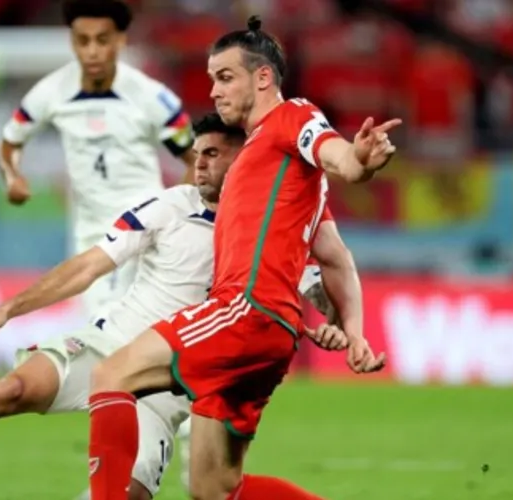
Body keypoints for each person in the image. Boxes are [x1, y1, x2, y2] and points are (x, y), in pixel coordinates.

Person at [0, 113, 352, 497]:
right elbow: (90, 266)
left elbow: (308, 298)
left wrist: (333, 327)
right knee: (12, 388)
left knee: (140, 494)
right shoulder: (171, 207)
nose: (199, 164)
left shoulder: (270, 232)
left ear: (245, 158)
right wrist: (8, 310)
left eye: (213, 154)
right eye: (196, 153)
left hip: (168, 388)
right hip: (110, 345)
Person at [74, 16, 401, 500]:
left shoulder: (290, 118)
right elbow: (334, 257)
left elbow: (338, 155)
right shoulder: (277, 167)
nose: (214, 91)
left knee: (110, 374)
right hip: (269, 333)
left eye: (225, 77)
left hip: (244, 311)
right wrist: (354, 332)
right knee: (214, 488)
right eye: (210, 79)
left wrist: (357, 159)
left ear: (263, 78)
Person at [0, 0, 197, 321]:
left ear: (120, 40)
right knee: (117, 329)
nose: (91, 51)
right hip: (87, 230)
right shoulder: (52, 91)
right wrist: (12, 177)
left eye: (102, 40)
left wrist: (173, 212)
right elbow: (12, 141)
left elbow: (197, 160)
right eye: (82, 40)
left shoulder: (151, 97)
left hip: (140, 225)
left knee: (107, 325)